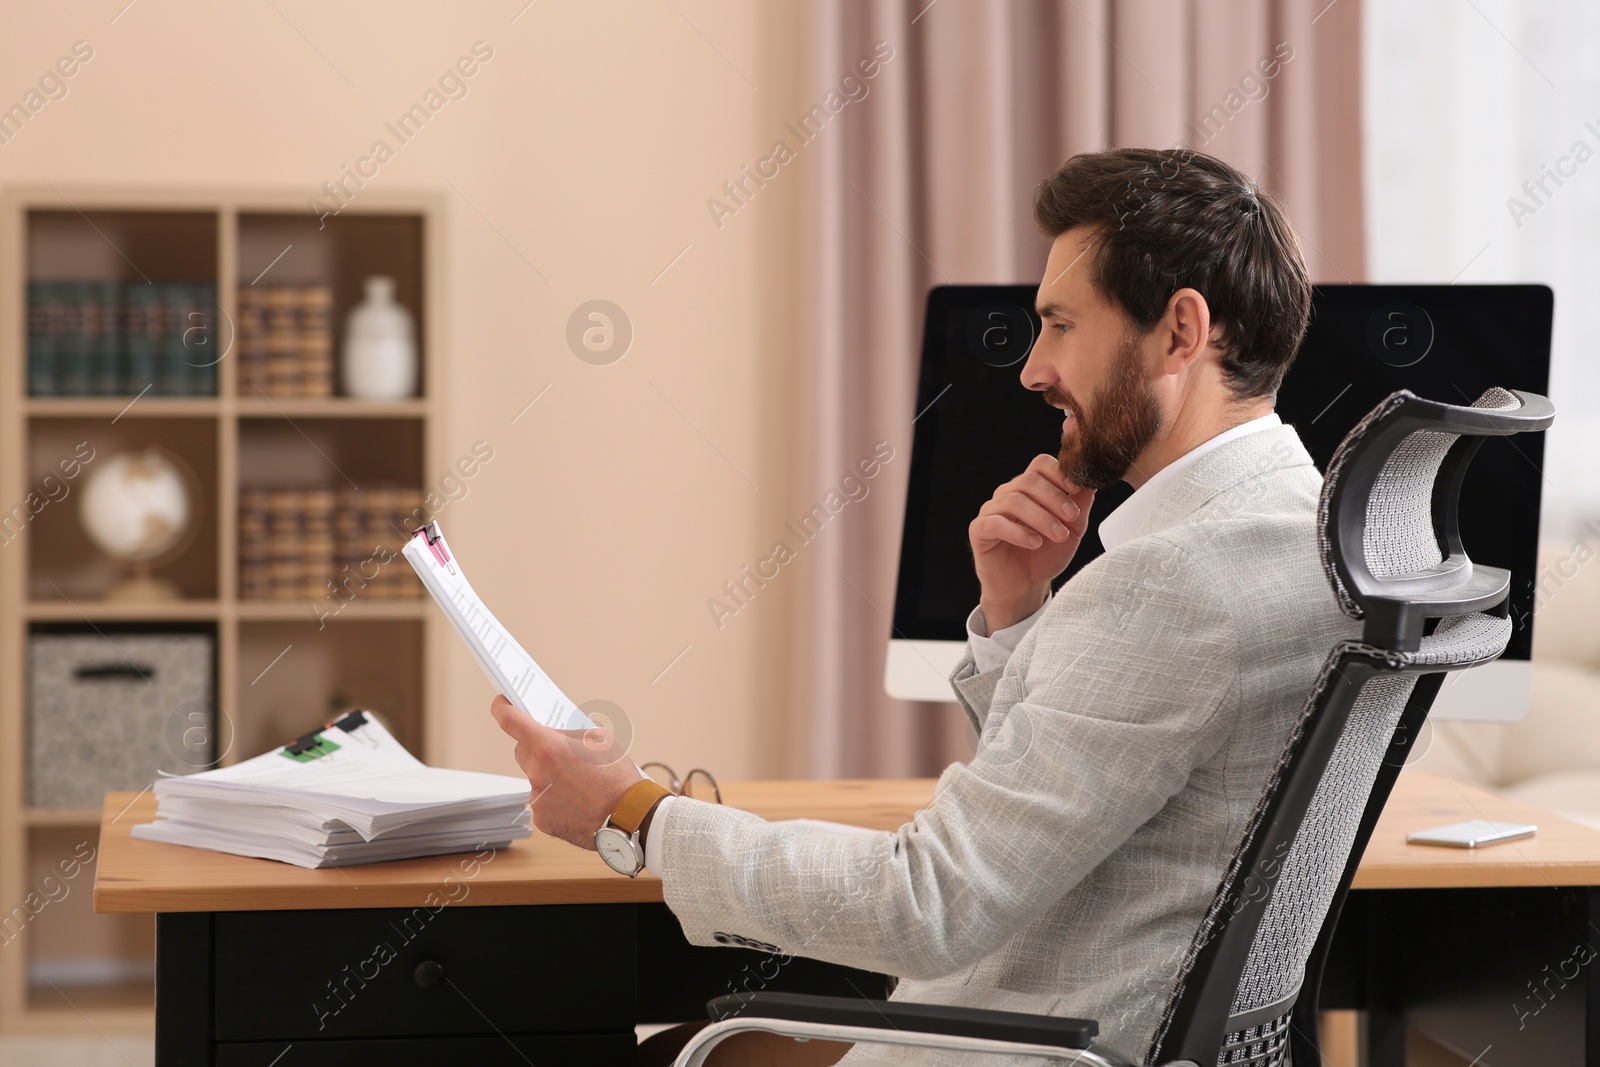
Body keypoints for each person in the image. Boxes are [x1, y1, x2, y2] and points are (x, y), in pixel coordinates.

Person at [490, 146, 1360, 1066]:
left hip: (1024, 1044)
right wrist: (1023, 614)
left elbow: (929, 903)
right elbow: (1090, 801)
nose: (1034, 369)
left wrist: (635, 813)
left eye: (1061, 324)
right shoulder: (1309, 533)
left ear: (1182, 333)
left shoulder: (1174, 581)